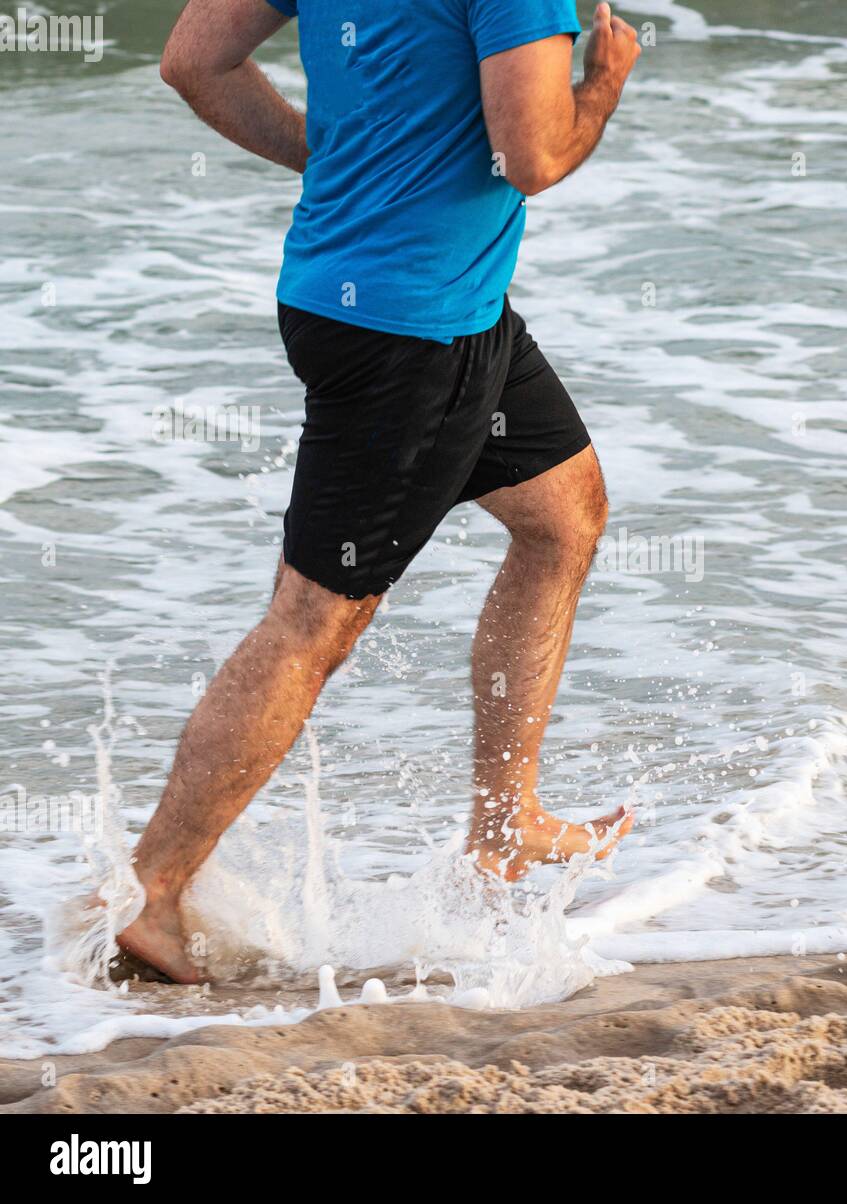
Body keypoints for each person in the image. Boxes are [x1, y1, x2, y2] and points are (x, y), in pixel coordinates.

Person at [113, 0, 641, 983]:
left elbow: (194, 61)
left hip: (373, 302)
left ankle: (506, 817)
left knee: (562, 517)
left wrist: (345, 161)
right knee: (314, 621)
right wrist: (603, 83)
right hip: (415, 335)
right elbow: (531, 158)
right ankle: (154, 888)